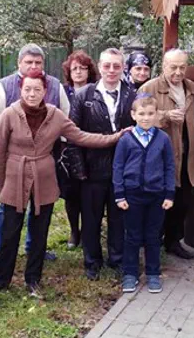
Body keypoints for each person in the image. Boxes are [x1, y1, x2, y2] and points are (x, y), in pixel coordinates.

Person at [0, 69, 127, 297]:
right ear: (21, 89)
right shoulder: (10, 114)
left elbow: (81, 136)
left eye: (37, 89)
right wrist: (2, 186)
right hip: (15, 177)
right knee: (10, 231)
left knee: (40, 232)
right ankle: (1, 280)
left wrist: (115, 137)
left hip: (44, 179)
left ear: (45, 91)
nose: (32, 94)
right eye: (27, 89)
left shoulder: (55, 115)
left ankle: (33, 278)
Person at [0, 43, 69, 262]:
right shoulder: (3, 87)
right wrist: (0, 155)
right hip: (14, 161)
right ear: (19, 63)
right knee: (9, 208)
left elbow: (66, 117)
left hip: (44, 159)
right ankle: (5, 251)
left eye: (38, 62)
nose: (33, 66)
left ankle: (35, 248)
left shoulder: (55, 86)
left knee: (39, 206)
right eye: (28, 62)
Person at [70, 48, 136, 280]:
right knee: (91, 219)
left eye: (116, 66)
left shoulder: (132, 95)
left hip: (122, 170)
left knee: (119, 217)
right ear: (99, 67)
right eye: (107, 65)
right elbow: (73, 134)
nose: (111, 70)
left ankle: (117, 259)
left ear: (123, 68)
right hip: (92, 169)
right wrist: (80, 170)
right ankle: (92, 261)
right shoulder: (84, 96)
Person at [138, 49, 194, 260]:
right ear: (164, 66)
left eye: (182, 67)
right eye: (173, 67)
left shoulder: (192, 88)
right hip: (159, 157)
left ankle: (173, 242)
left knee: (181, 201)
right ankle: (151, 243)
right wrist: (165, 116)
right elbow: (139, 118)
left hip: (187, 155)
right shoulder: (149, 88)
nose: (178, 72)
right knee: (158, 201)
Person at [113, 94, 175, 294]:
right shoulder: (126, 140)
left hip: (156, 196)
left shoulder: (163, 139)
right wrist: (120, 194)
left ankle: (153, 273)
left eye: (150, 114)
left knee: (153, 236)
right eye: (141, 114)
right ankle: (130, 273)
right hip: (132, 195)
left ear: (156, 115)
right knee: (132, 236)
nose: (146, 118)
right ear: (133, 115)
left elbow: (169, 167)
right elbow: (118, 167)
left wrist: (169, 194)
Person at [58, 50, 99, 249]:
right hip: (68, 148)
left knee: (90, 192)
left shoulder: (96, 91)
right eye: (74, 68)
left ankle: (89, 230)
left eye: (83, 68)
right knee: (71, 193)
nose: (79, 72)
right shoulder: (63, 92)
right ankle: (74, 231)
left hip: (92, 146)